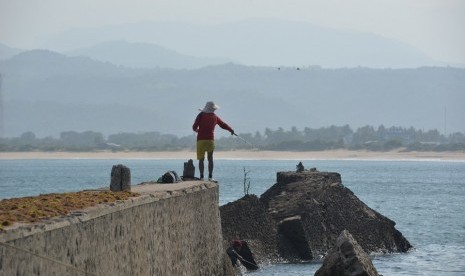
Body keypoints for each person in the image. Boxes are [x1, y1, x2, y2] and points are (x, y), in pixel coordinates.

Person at [192, 101, 234, 182]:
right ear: (213, 109)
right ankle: (210, 177)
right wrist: (231, 129)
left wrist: (197, 130)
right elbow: (223, 124)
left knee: (201, 159)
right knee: (210, 159)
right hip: (210, 140)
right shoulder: (215, 117)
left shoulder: (200, 115)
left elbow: (194, 127)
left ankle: (201, 177)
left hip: (200, 140)